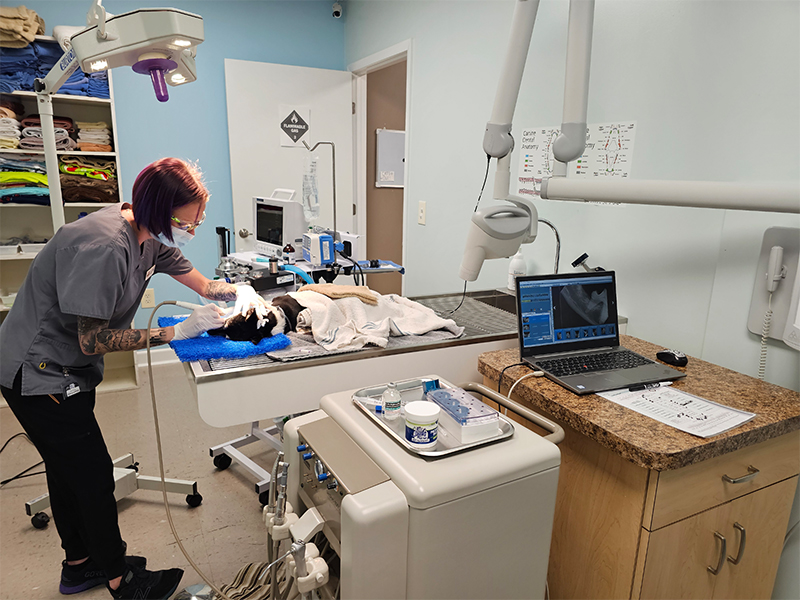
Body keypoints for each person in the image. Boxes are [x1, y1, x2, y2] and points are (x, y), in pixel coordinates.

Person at [0, 157, 267, 599]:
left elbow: (202, 284)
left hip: (66, 371)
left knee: (67, 472)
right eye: (189, 223)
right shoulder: (103, 246)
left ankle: (78, 566)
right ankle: (121, 581)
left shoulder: (151, 237)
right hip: (38, 371)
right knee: (92, 476)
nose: (192, 231)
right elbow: (92, 339)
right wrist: (173, 332)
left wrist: (242, 292)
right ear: (162, 212)